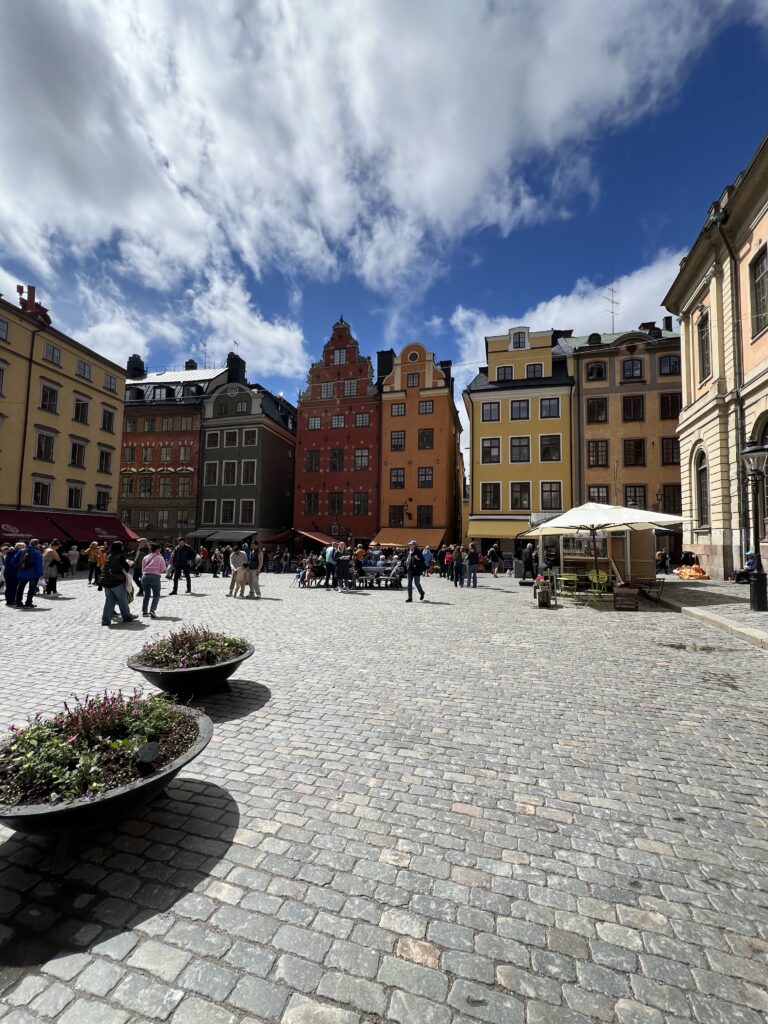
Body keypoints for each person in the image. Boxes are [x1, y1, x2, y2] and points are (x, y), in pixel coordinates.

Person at [99, 542, 136, 626]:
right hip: (117, 581)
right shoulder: (120, 556)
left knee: (109, 601)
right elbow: (126, 568)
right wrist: (129, 563)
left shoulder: (109, 556)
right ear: (120, 548)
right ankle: (127, 617)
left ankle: (105, 620)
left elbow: (105, 569)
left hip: (106, 582)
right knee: (122, 600)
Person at [14, 539, 44, 608]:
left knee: (20, 588)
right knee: (31, 589)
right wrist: (40, 573)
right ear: (37, 544)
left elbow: (13, 561)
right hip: (33, 574)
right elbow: (39, 564)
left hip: (22, 573)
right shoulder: (37, 552)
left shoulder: (21, 551)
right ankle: (28, 603)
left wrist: (19, 568)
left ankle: (18, 603)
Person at [141, 542, 166, 617]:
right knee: (156, 595)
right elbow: (163, 569)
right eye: (159, 549)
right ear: (157, 549)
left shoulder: (146, 557)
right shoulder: (160, 557)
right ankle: (152, 610)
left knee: (146, 595)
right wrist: (158, 571)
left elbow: (142, 568)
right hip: (155, 577)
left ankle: (144, 612)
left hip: (145, 577)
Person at [4, 541, 25, 606]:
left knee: (8, 587)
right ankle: (12, 601)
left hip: (7, 572)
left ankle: (8, 600)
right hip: (14, 572)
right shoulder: (19, 553)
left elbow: (6, 562)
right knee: (13, 587)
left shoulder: (9, 552)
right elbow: (16, 563)